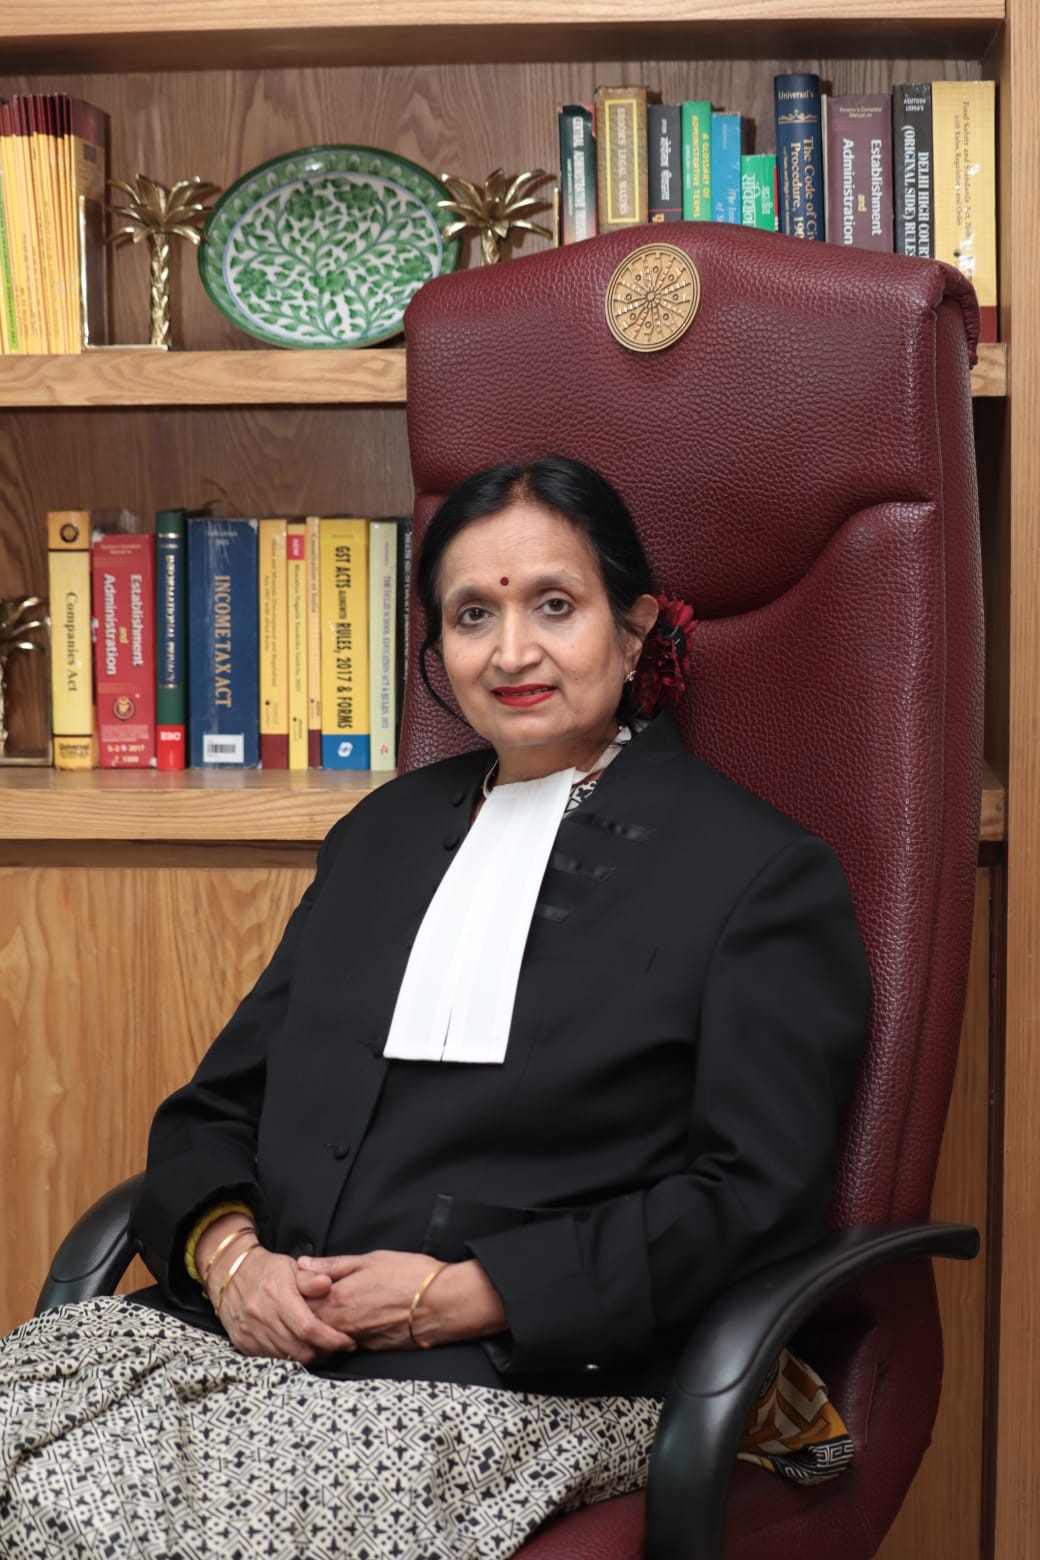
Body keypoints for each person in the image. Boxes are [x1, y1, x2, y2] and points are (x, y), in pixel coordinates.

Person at [0, 456, 870, 1559]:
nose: (511, 653)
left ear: (635, 628)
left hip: (529, 1373)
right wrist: (233, 1261)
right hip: (251, 1343)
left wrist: (466, 1296)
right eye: (472, 616)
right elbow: (213, 1110)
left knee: (86, 1523)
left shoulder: (758, 876)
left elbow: (752, 1200)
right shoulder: (380, 837)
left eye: (554, 606)